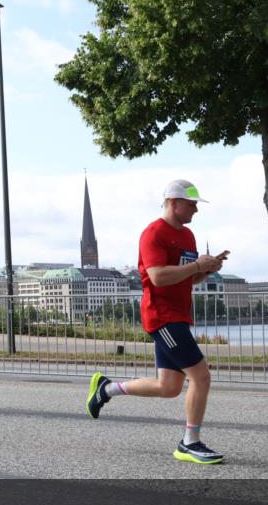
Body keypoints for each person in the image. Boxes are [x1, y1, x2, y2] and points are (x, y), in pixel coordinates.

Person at [86, 179, 226, 464]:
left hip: (179, 315)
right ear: (173, 203)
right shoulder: (153, 234)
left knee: (169, 387)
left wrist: (208, 270)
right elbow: (159, 276)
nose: (196, 210)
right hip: (162, 316)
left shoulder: (188, 236)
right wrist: (198, 265)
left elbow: (190, 276)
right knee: (201, 376)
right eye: (191, 204)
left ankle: (106, 388)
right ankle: (190, 442)